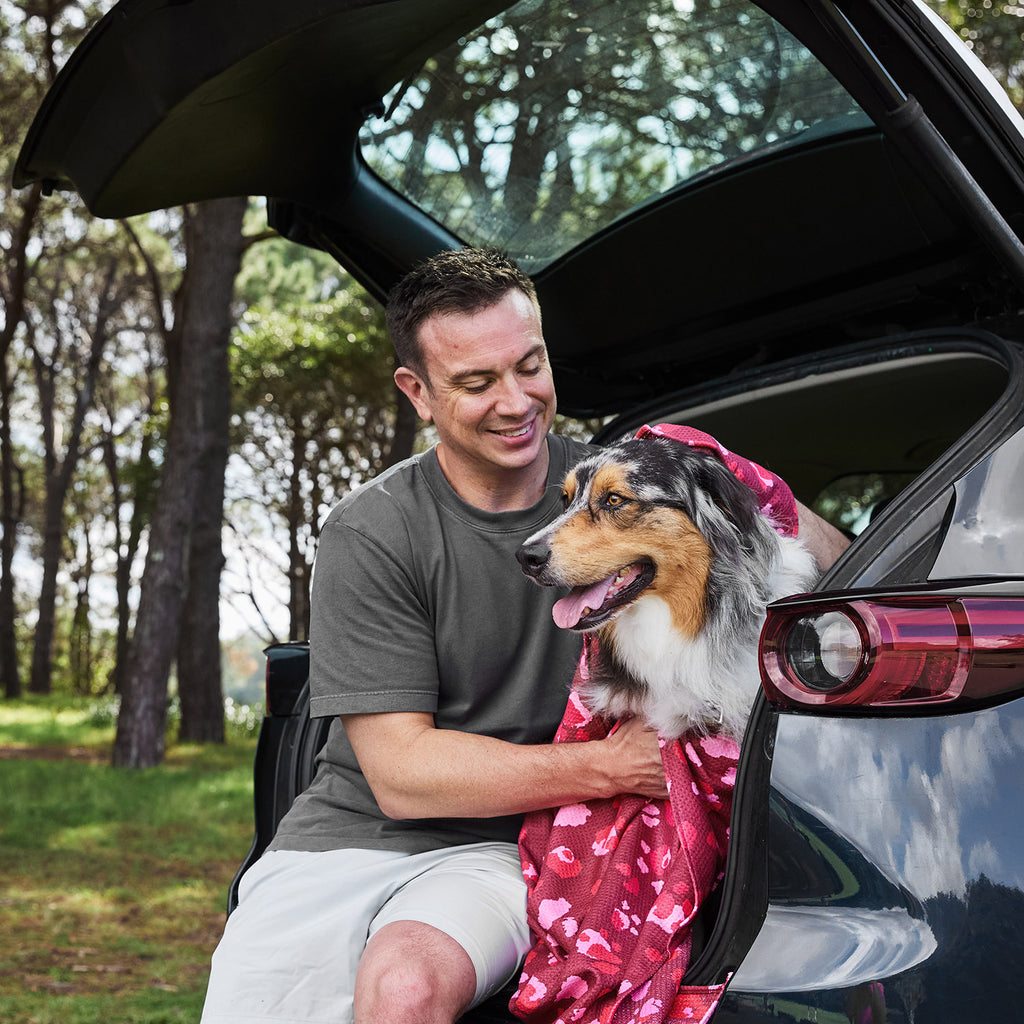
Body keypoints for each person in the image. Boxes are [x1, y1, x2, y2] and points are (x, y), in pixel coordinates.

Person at [200, 247, 849, 1024]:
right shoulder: (372, 530)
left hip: (515, 846)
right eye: (477, 382)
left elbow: (822, 553)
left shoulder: (630, 480)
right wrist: (606, 766)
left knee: (403, 989)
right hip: (344, 839)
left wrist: (756, 493)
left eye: (530, 366)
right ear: (418, 392)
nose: (516, 402)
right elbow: (402, 775)